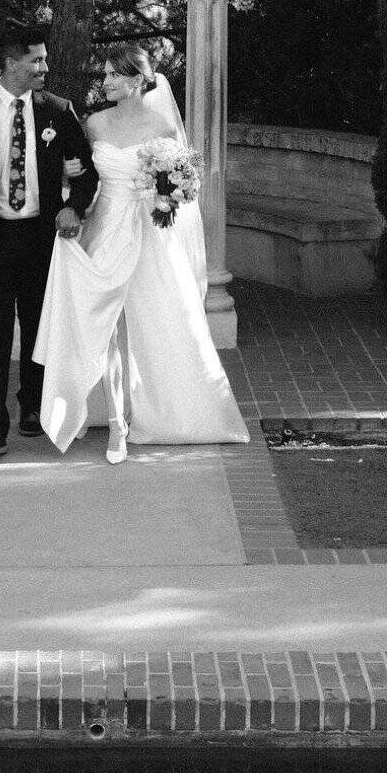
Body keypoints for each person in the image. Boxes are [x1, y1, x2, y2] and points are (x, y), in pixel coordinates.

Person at [33, 40, 248, 462]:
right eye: (106, 74)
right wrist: (66, 174)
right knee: (105, 326)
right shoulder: (94, 123)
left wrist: (168, 197)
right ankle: (115, 424)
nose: (106, 81)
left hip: (150, 235)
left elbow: (182, 191)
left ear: (137, 80)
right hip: (104, 227)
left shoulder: (163, 128)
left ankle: (156, 410)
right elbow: (81, 178)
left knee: (151, 324)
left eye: (114, 74)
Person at [0, 23, 98, 461]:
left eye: (44, 59)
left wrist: (74, 208)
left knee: (36, 327)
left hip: (41, 239)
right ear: (12, 64)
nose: (45, 67)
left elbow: (88, 169)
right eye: (37, 60)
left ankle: (32, 407)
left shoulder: (57, 111)